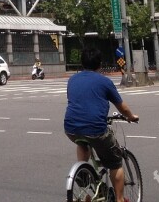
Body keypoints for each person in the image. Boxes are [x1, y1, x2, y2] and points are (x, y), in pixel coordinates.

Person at [64, 48, 138, 202]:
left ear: (82, 63)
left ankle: (83, 172)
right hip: (96, 129)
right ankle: (119, 199)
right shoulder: (105, 81)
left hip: (71, 128)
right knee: (115, 162)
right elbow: (122, 107)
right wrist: (131, 117)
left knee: (83, 143)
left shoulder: (72, 80)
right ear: (100, 64)